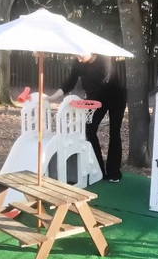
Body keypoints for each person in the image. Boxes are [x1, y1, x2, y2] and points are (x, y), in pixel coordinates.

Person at [48, 53, 126, 182]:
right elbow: (69, 83)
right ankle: (98, 169)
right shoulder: (78, 62)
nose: (78, 58)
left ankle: (113, 173)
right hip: (95, 98)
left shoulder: (105, 60)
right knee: (89, 129)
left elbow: (105, 82)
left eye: (80, 55)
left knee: (115, 132)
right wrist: (52, 98)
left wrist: (87, 102)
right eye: (76, 55)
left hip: (115, 97)